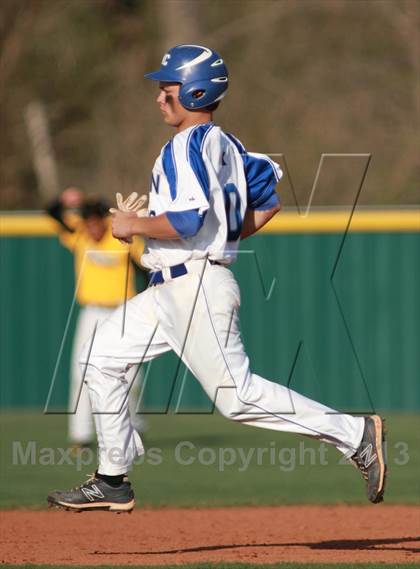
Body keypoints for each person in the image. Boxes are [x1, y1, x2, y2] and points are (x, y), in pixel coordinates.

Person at [47, 45, 386, 512]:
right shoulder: (228, 146)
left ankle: (356, 433)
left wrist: (131, 226)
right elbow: (268, 201)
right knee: (102, 354)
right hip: (172, 287)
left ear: (194, 90)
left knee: (237, 398)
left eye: (167, 89)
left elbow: (187, 222)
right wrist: (214, 232)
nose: (159, 98)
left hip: (195, 288)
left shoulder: (185, 146)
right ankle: (112, 477)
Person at [46, 189, 147, 450]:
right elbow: (51, 211)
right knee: (81, 372)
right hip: (92, 312)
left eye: (94, 220)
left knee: (130, 375)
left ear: (104, 220)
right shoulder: (79, 235)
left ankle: (134, 426)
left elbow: (146, 269)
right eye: (87, 220)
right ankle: (81, 436)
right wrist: (66, 200)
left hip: (123, 310)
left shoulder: (121, 238)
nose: (90, 225)